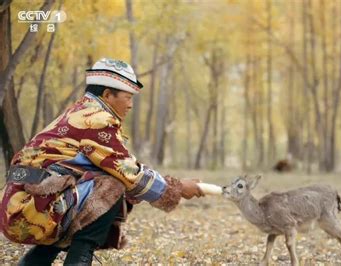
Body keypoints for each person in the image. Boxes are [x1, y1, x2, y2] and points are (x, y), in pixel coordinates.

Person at [0, 58, 204, 265]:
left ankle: (32, 263)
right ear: (107, 95)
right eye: (128, 97)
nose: (131, 105)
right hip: (32, 210)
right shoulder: (96, 119)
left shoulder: (79, 112)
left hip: (22, 208)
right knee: (113, 185)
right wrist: (175, 188)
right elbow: (129, 172)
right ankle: (78, 261)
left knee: (100, 184)